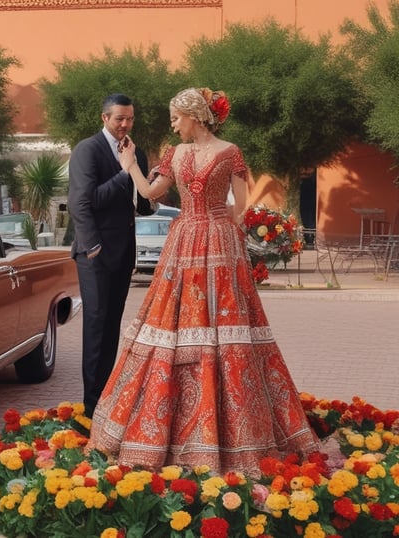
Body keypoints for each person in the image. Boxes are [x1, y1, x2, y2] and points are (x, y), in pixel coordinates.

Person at [88, 87, 318, 474]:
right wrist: (214, 214)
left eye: (176, 117)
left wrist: (130, 165)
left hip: (185, 239)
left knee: (177, 323)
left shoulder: (176, 155)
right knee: (221, 322)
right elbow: (240, 210)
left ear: (194, 115)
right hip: (219, 239)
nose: (173, 124)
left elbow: (148, 192)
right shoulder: (229, 152)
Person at [68, 93, 154, 419]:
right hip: (95, 254)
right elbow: (84, 201)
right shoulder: (87, 150)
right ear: (104, 118)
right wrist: (124, 172)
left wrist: (151, 179)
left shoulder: (136, 152)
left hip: (123, 255)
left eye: (130, 119)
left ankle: (105, 398)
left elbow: (143, 204)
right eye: (119, 119)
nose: (125, 125)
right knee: (95, 326)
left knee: (112, 327)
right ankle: (91, 409)